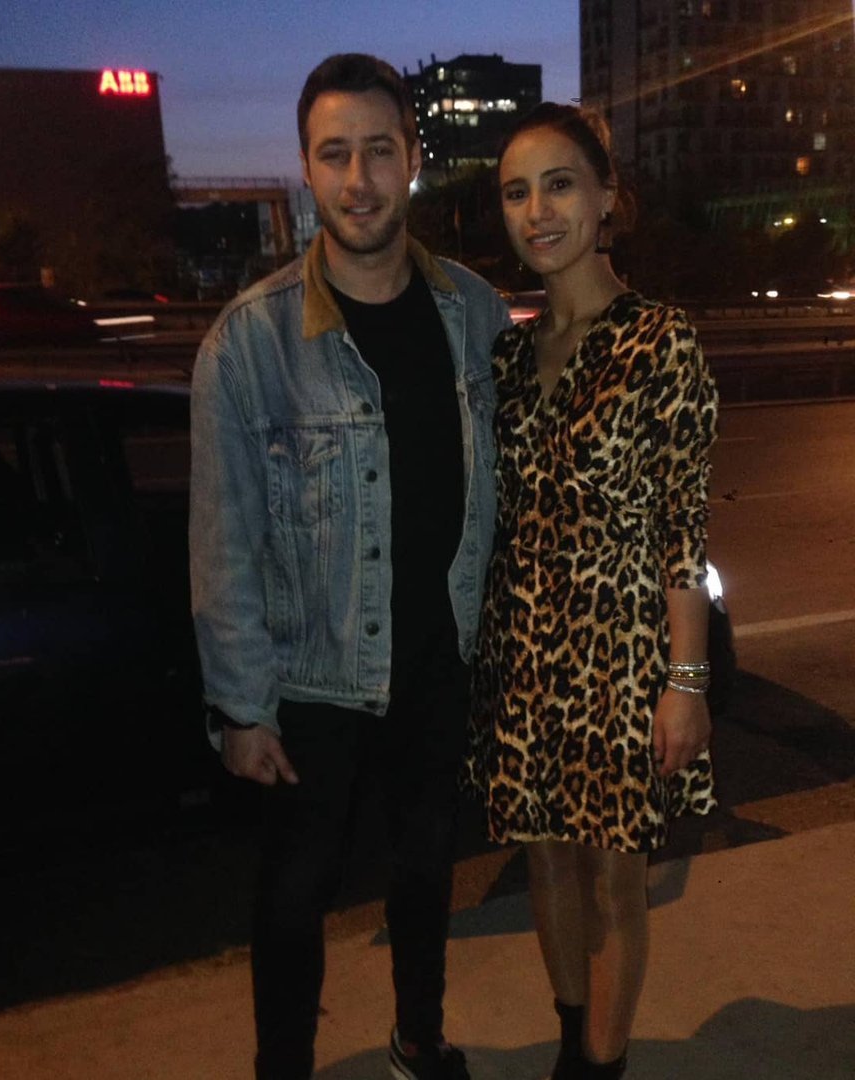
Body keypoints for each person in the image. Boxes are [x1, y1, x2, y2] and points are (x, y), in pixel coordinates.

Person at [189, 53, 511, 1080]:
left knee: (426, 869)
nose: (359, 179)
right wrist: (242, 708)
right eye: (336, 154)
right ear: (306, 168)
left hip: (437, 663)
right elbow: (223, 541)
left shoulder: (475, 313)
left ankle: (420, 1037)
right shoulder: (250, 342)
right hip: (311, 677)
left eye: (379, 150)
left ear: (413, 158)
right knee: (294, 894)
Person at [466, 103, 718, 1079]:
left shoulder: (661, 341)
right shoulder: (507, 355)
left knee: (615, 876)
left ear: (608, 197)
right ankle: (573, 1038)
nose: (537, 211)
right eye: (516, 193)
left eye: (560, 184)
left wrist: (685, 681)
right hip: (522, 651)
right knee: (546, 860)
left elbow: (682, 529)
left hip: (618, 655)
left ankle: (598, 1067)